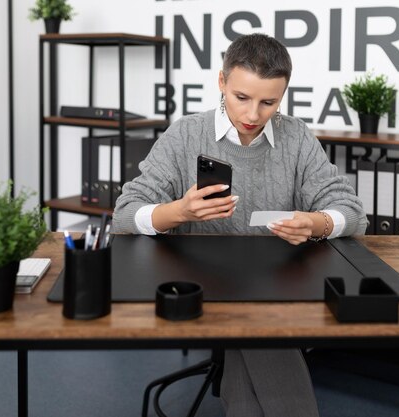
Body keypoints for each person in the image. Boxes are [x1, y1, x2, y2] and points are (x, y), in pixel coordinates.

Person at [113, 33, 366, 417]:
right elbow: (125, 213)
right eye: (241, 98)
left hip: (275, 282)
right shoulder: (186, 134)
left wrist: (316, 222)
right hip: (203, 281)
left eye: (269, 102)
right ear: (221, 83)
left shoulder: (295, 136)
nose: (252, 115)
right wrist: (179, 211)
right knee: (259, 323)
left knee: (254, 324)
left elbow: (351, 212)